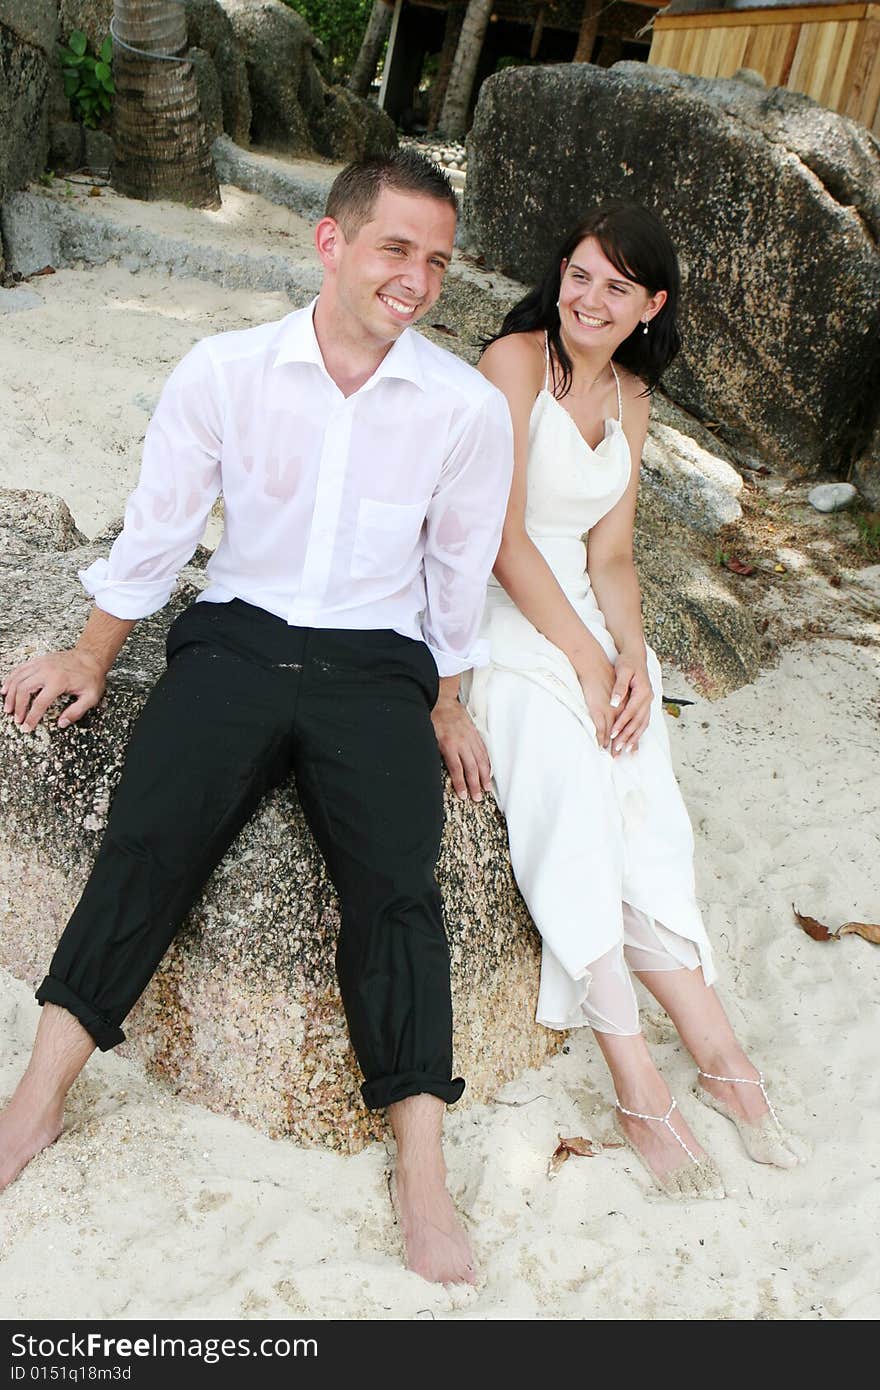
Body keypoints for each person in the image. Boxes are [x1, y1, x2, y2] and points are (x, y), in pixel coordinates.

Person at [0, 151, 514, 1281]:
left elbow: (455, 568)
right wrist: (92, 652)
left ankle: (420, 1167)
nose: (417, 279)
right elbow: (161, 527)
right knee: (147, 840)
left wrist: (450, 699)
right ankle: (35, 1100)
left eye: (436, 260)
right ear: (330, 244)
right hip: (236, 638)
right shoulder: (224, 371)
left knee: (396, 884)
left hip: (377, 663)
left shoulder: (465, 408)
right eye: (396, 248)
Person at [430, 202, 804, 1199]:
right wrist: (584, 663)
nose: (590, 298)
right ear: (560, 276)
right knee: (572, 798)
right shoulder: (512, 364)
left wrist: (630, 658)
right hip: (499, 614)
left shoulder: (633, 396)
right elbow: (500, 540)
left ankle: (717, 1054)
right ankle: (637, 1083)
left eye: (616, 286)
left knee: (645, 808)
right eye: (580, 274)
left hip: (584, 617)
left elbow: (611, 553)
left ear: (651, 305)